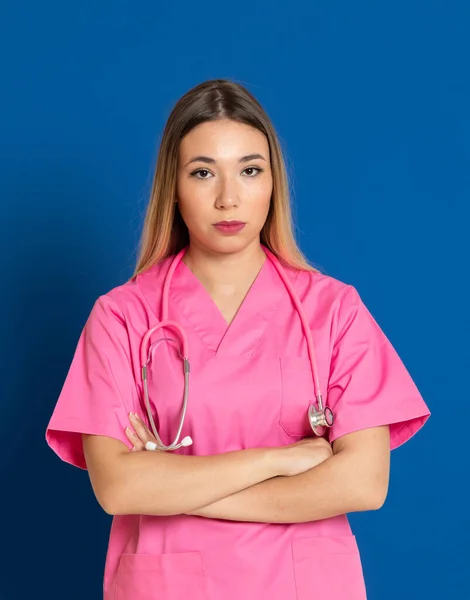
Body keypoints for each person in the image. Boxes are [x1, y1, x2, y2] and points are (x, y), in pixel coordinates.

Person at [45, 78, 431, 600]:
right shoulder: (123, 317)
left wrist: (176, 488)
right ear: (173, 186)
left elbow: (363, 483)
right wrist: (278, 460)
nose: (229, 198)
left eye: (250, 170)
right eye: (203, 173)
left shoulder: (333, 310)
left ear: (273, 183)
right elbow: (118, 489)